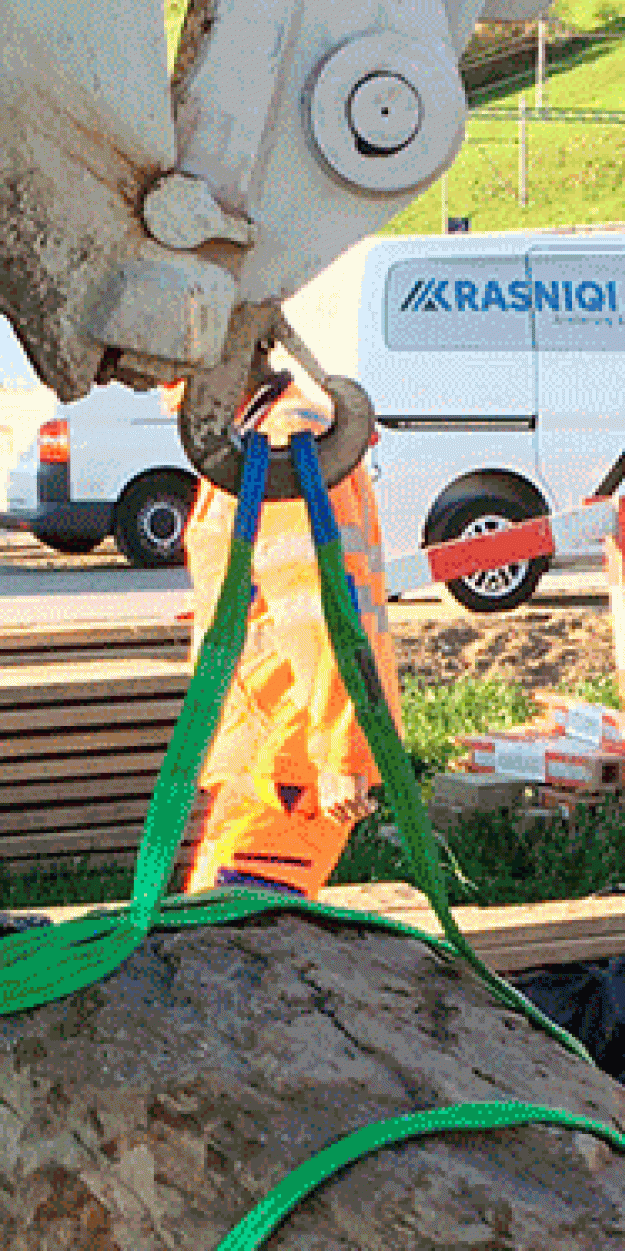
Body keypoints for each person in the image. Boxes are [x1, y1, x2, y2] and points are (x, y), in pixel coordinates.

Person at [183, 381, 402, 901]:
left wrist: (339, 756)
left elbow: (324, 615)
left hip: (289, 754)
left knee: (231, 949)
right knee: (211, 938)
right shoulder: (258, 440)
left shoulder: (283, 446)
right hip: (267, 749)